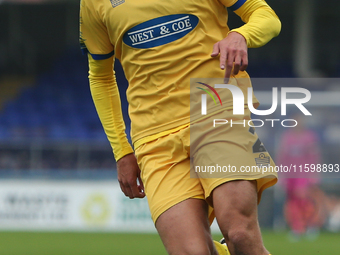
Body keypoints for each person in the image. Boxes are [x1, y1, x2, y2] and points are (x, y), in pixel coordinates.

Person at [79, 0, 281, 254]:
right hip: (153, 139)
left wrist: (241, 34)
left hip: (216, 112)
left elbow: (266, 16)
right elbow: (100, 76)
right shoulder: (93, 3)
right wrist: (122, 151)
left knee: (240, 233)